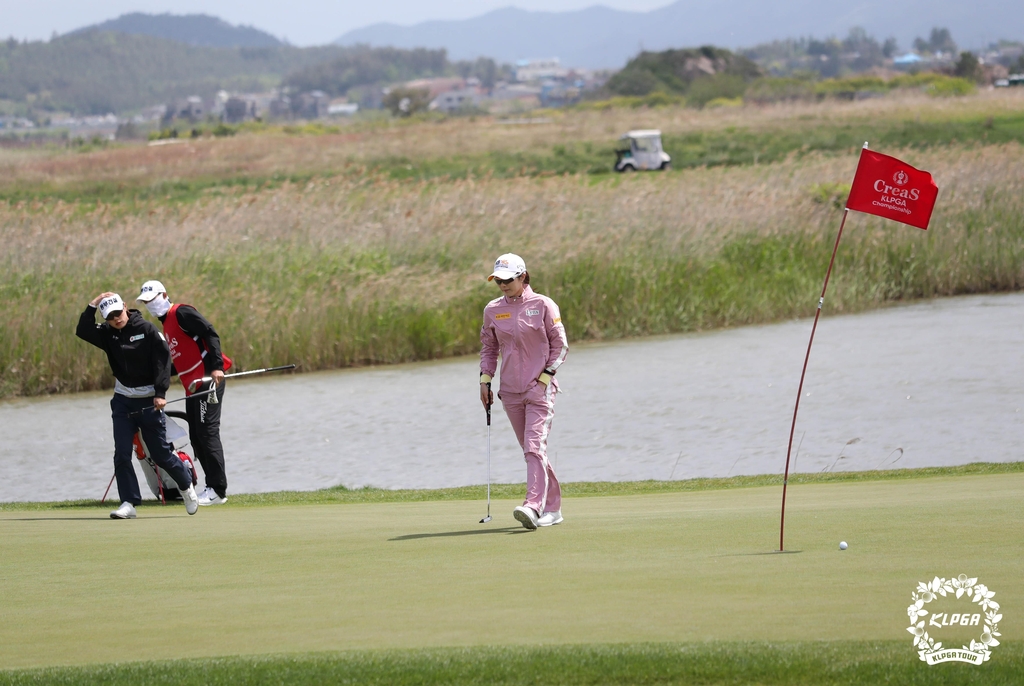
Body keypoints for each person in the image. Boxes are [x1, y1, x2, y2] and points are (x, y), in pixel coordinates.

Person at [76, 292, 199, 519]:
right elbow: (82, 330)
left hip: (150, 400)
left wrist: (160, 393)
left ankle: (186, 486)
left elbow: (163, 362)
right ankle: (129, 502)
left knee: (161, 454)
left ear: (125, 307)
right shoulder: (107, 334)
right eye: (110, 316)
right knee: (122, 454)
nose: (116, 319)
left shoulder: (148, 330)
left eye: (118, 313)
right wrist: (92, 303)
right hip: (123, 402)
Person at [479, 254, 569, 530]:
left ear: (523, 277)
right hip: (510, 392)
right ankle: (552, 507)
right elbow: (489, 347)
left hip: (539, 390)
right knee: (533, 450)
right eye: (498, 281)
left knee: (534, 447)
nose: (503, 285)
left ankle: (532, 506)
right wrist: (485, 380)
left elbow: (561, 345)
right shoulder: (493, 310)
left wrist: (544, 378)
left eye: (508, 280)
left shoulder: (543, 304)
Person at [137, 280, 232, 506]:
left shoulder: (181, 313)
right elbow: (178, 364)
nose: (150, 305)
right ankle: (212, 487)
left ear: (164, 295)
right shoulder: (167, 325)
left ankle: (218, 490)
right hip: (193, 387)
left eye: (153, 299)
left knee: (207, 434)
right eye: (146, 302)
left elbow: (210, 333)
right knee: (197, 436)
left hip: (208, 381)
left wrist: (217, 366)